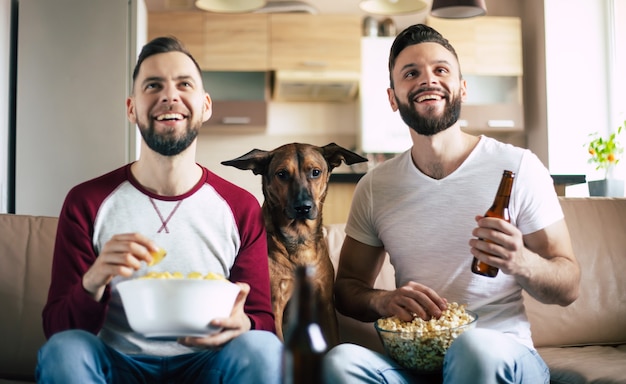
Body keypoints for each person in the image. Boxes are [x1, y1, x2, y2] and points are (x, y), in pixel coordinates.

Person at [323, 24, 580, 384]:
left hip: (500, 354)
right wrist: (382, 301)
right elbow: (347, 288)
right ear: (392, 97)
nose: (428, 80)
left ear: (462, 87)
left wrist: (521, 261)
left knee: (471, 347)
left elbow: (569, 286)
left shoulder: (518, 167)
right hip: (416, 361)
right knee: (341, 361)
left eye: (441, 69)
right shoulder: (375, 187)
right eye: (411, 73)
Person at [36, 36, 282, 384]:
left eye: (184, 84)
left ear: (206, 105)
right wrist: (93, 280)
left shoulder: (241, 208)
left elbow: (262, 321)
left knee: (263, 349)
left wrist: (246, 324)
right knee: (64, 351)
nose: (170, 95)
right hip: (115, 365)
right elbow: (58, 331)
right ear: (131, 107)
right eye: (153, 85)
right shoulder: (86, 202)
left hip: (207, 367)